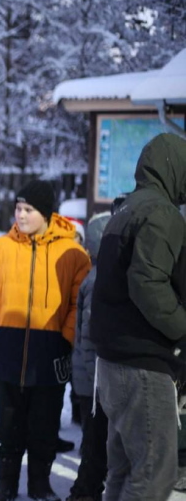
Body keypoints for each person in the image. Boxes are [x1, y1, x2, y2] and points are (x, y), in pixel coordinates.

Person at [0, 179, 91, 501]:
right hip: (7, 349)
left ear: (46, 212)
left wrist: (65, 339)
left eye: (28, 209)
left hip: (50, 351)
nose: (20, 215)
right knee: (8, 425)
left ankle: (40, 484)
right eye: (18, 208)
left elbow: (80, 301)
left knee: (44, 425)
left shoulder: (73, 253)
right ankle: (5, 485)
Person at [91, 133, 186, 501]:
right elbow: (147, 283)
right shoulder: (161, 213)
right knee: (153, 475)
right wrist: (182, 328)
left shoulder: (126, 209)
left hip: (112, 360)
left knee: (124, 469)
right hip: (142, 361)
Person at [65, 212, 111, 501]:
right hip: (94, 380)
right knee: (95, 443)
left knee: (94, 441)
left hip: (89, 378)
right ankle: (83, 493)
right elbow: (91, 340)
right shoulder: (99, 280)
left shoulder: (95, 275)